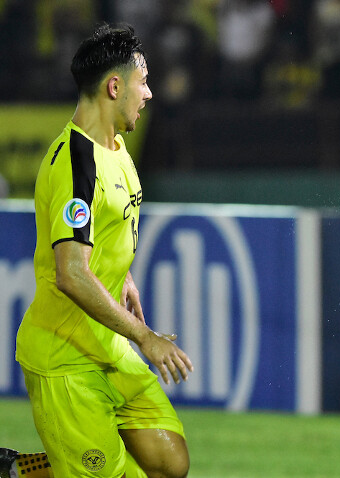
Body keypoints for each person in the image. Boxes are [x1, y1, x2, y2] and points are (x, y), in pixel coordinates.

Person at [1, 23, 194, 478]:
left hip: (105, 345)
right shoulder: (75, 163)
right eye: (143, 82)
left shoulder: (117, 147)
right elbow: (71, 273)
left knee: (169, 463)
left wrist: (123, 276)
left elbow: (104, 230)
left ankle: (20, 470)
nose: (149, 94)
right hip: (65, 357)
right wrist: (144, 336)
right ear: (114, 87)